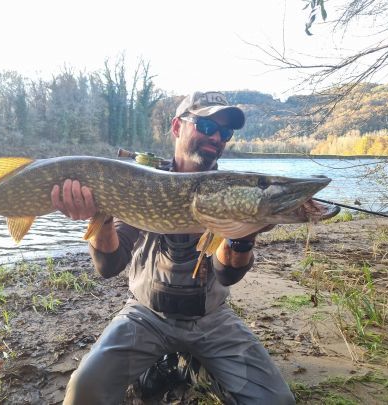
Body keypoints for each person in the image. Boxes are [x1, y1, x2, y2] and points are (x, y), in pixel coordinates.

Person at [51, 91, 296, 405]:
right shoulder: (141, 182)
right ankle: (172, 365)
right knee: (83, 392)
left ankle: (192, 366)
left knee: (278, 402)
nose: (216, 137)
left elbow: (227, 274)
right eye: (206, 126)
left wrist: (243, 235)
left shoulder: (234, 191)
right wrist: (102, 217)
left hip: (212, 319)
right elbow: (109, 265)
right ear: (177, 127)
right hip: (145, 316)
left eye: (225, 132)